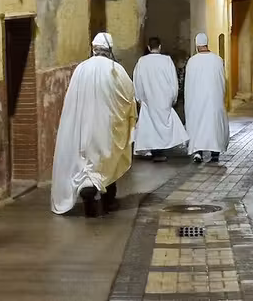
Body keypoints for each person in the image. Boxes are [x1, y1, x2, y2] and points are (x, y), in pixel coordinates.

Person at [50, 32, 137, 217]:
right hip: (107, 128)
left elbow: (71, 99)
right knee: (107, 161)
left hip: (84, 127)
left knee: (86, 161)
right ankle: (108, 201)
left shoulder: (81, 69)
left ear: (94, 48)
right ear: (109, 49)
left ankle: (87, 193)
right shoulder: (116, 70)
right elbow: (128, 96)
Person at [133, 37, 189, 162]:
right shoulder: (167, 60)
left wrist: (139, 98)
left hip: (148, 100)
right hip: (164, 99)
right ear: (160, 47)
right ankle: (160, 150)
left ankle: (154, 150)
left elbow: (137, 81)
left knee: (150, 126)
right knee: (164, 125)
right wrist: (174, 96)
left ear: (148, 47)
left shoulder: (142, 61)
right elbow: (173, 81)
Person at [184, 33, 230, 163]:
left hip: (196, 100)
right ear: (207, 43)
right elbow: (222, 81)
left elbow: (189, 83)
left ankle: (198, 152)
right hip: (213, 100)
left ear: (196, 45)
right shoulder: (217, 60)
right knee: (213, 125)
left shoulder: (192, 61)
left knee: (197, 125)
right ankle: (215, 153)